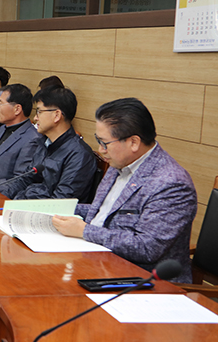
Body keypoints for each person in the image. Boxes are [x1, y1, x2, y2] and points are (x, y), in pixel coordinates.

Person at [52, 98, 196, 283]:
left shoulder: (171, 183)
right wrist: (56, 209)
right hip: (97, 261)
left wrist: (85, 231)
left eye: (104, 143)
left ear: (134, 142)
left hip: (142, 282)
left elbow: (147, 247)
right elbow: (104, 212)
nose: (100, 149)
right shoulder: (120, 162)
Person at [0, 86, 96, 200]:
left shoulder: (79, 155)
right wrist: (0, 199)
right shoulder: (44, 142)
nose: (35, 118)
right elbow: (25, 179)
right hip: (24, 205)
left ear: (57, 115)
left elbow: (60, 201)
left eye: (39, 111)